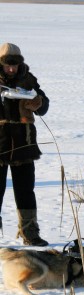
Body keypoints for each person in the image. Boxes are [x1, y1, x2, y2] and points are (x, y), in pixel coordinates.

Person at [0, 42, 49, 246]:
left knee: (25, 190)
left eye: (15, 65)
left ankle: (30, 233)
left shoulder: (28, 78)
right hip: (0, 142)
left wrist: (37, 102)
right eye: (7, 65)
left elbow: (44, 105)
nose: (11, 69)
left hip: (24, 142)